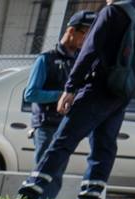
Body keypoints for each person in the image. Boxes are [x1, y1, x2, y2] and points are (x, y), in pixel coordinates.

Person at [19, 0, 135, 199]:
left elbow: (89, 51)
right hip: (122, 92)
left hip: (97, 87)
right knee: (104, 147)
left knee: (63, 140)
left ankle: (30, 192)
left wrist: (70, 88)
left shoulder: (112, 12)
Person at [22, 12, 96, 171]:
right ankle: (33, 196)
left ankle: (43, 197)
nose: (87, 39)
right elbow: (30, 94)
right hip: (46, 125)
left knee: (57, 173)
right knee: (45, 172)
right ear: (71, 32)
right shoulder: (45, 59)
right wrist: (61, 96)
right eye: (84, 34)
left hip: (67, 125)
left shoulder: (82, 61)